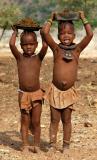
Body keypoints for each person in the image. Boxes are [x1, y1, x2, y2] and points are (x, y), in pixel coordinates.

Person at [41, 11, 93, 153]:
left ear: (74, 36)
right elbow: (45, 33)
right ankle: (52, 145)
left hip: (68, 93)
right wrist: (50, 18)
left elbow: (89, 35)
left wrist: (83, 18)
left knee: (67, 120)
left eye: (69, 33)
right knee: (54, 119)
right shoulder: (56, 49)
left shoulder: (77, 50)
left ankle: (66, 146)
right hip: (55, 91)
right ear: (58, 36)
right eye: (63, 33)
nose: (66, 36)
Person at [9, 25, 48, 153]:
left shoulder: (38, 58)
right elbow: (11, 45)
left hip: (36, 94)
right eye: (25, 44)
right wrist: (15, 32)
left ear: (36, 44)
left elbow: (45, 46)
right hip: (23, 94)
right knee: (25, 121)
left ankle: (36, 145)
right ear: (21, 45)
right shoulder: (20, 58)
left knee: (36, 121)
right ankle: (25, 145)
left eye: (31, 44)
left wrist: (43, 34)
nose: (29, 46)